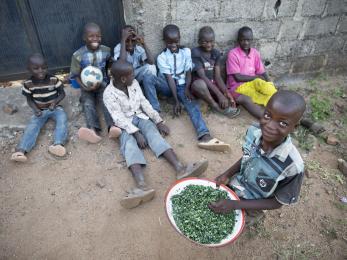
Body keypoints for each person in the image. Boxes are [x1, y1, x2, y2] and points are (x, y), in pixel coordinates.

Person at [103, 60, 209, 209]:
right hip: (124, 124)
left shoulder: (133, 84)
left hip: (140, 116)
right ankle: (141, 186)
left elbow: (144, 102)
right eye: (132, 74)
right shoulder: (108, 94)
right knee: (129, 144)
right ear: (122, 79)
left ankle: (180, 168)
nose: (134, 76)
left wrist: (158, 121)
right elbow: (118, 118)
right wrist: (136, 133)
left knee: (153, 133)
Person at [209, 90, 306, 225]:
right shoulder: (253, 133)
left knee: (227, 224)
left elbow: (277, 203)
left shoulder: (293, 166)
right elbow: (246, 157)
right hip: (237, 184)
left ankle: (255, 215)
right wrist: (227, 174)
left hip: (255, 204)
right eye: (267, 115)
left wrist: (236, 205)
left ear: (295, 127)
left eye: (282, 123)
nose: (270, 126)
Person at [156, 24, 230, 152]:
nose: (173, 45)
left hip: (183, 83)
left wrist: (187, 89)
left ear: (180, 38)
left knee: (192, 105)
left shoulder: (186, 52)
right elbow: (169, 79)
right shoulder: (161, 57)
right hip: (168, 85)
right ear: (164, 41)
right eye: (169, 42)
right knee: (152, 77)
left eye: (176, 41)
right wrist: (177, 100)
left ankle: (204, 136)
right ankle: (158, 110)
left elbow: (188, 72)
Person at [70, 22, 121, 144]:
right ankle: (93, 130)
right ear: (84, 38)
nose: (95, 39)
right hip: (85, 85)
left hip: (102, 83)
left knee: (107, 100)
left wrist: (111, 77)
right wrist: (84, 87)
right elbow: (75, 75)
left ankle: (112, 126)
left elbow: (111, 64)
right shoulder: (78, 55)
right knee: (87, 103)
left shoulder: (106, 51)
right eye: (91, 36)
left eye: (98, 36)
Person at [11, 53, 68, 162]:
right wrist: (36, 110)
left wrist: (54, 103)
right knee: (32, 125)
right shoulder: (28, 84)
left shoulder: (53, 79)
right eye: (36, 68)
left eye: (44, 67)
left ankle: (58, 144)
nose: (41, 71)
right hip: (39, 111)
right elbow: (29, 99)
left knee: (62, 119)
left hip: (55, 108)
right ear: (29, 69)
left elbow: (62, 94)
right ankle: (21, 151)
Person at [226, 26, 277, 119]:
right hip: (238, 86)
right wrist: (256, 78)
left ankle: (279, 104)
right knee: (254, 97)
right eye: (243, 40)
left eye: (248, 40)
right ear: (238, 40)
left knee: (268, 89)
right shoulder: (233, 54)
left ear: (252, 40)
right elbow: (238, 77)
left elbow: (262, 72)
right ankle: (269, 118)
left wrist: (269, 84)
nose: (246, 42)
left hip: (254, 83)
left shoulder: (255, 53)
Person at [191, 26, 239, 118]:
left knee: (228, 99)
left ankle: (220, 101)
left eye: (211, 41)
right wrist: (219, 94)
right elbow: (202, 76)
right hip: (201, 87)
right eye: (205, 42)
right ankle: (215, 106)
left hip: (213, 85)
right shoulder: (195, 53)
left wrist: (226, 93)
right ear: (199, 42)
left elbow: (218, 77)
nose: (209, 45)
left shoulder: (216, 53)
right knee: (199, 84)